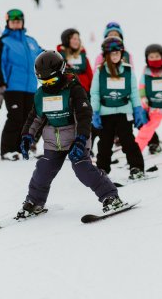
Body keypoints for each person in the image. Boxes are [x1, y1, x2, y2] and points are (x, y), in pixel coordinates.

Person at [15, 51, 125, 219]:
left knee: (83, 170)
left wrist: (81, 140)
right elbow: (35, 117)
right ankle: (34, 201)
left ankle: (110, 196)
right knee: (42, 171)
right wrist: (27, 136)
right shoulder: (41, 94)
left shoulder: (74, 90)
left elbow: (84, 116)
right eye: (43, 81)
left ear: (61, 72)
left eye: (51, 80)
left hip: (76, 139)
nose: (48, 85)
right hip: (53, 142)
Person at [90, 36, 148, 179]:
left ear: (121, 53)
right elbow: (95, 93)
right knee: (105, 143)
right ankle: (102, 169)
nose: (115, 56)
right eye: (112, 53)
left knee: (128, 141)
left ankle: (136, 168)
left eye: (117, 53)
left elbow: (134, 92)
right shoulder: (100, 71)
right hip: (105, 113)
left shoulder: (128, 71)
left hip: (124, 112)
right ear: (106, 55)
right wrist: (95, 112)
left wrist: (138, 110)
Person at [0, 9, 43, 161]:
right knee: (15, 118)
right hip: (13, 87)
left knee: (30, 120)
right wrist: (1, 85)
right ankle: (8, 150)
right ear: (8, 23)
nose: (16, 23)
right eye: (13, 21)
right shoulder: (2, 42)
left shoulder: (30, 41)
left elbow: (42, 56)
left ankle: (24, 148)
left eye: (18, 21)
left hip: (31, 87)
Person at [57, 28, 93, 93]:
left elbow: (90, 76)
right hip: (67, 92)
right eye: (74, 39)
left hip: (84, 92)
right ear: (66, 40)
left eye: (78, 39)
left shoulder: (83, 58)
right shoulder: (59, 58)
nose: (77, 41)